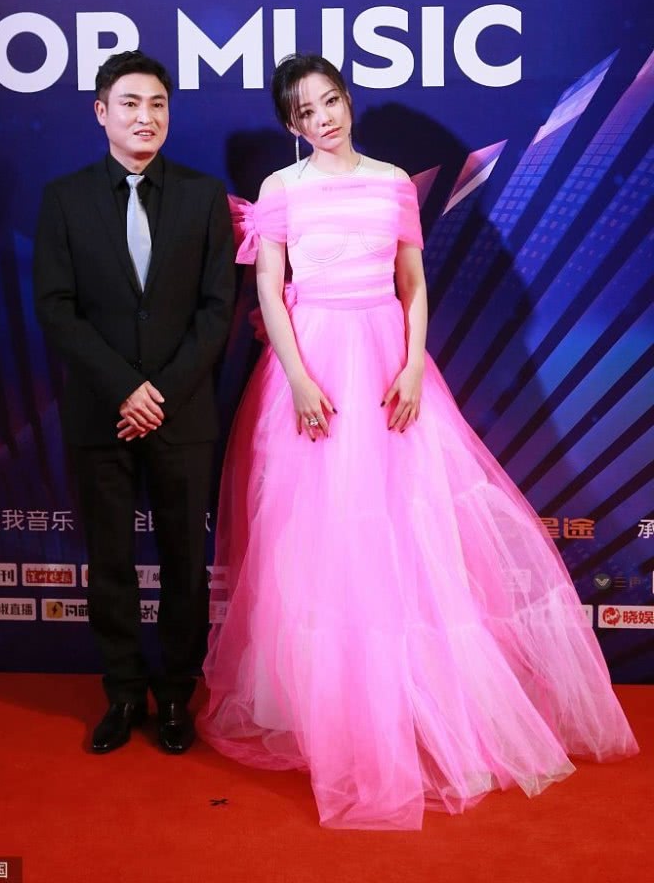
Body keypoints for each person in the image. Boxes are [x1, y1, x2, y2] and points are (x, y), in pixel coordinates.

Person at [197, 53, 638, 829]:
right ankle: (324, 708)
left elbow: (413, 282)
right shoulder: (281, 189)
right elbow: (267, 284)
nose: (323, 119)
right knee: (314, 539)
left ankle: (406, 702)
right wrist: (296, 376)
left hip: (387, 361)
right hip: (310, 364)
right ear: (291, 125)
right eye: (306, 112)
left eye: (330, 102)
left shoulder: (393, 182)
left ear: (347, 101)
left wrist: (409, 364)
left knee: (406, 530)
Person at [34, 50, 235, 755]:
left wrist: (163, 392)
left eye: (157, 104)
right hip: (102, 413)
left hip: (183, 413)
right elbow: (56, 309)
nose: (145, 117)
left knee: (185, 563)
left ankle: (176, 695)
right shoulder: (65, 199)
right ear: (101, 112)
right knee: (110, 561)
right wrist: (124, 387)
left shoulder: (203, 197)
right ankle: (122, 692)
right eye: (129, 103)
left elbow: (218, 309)